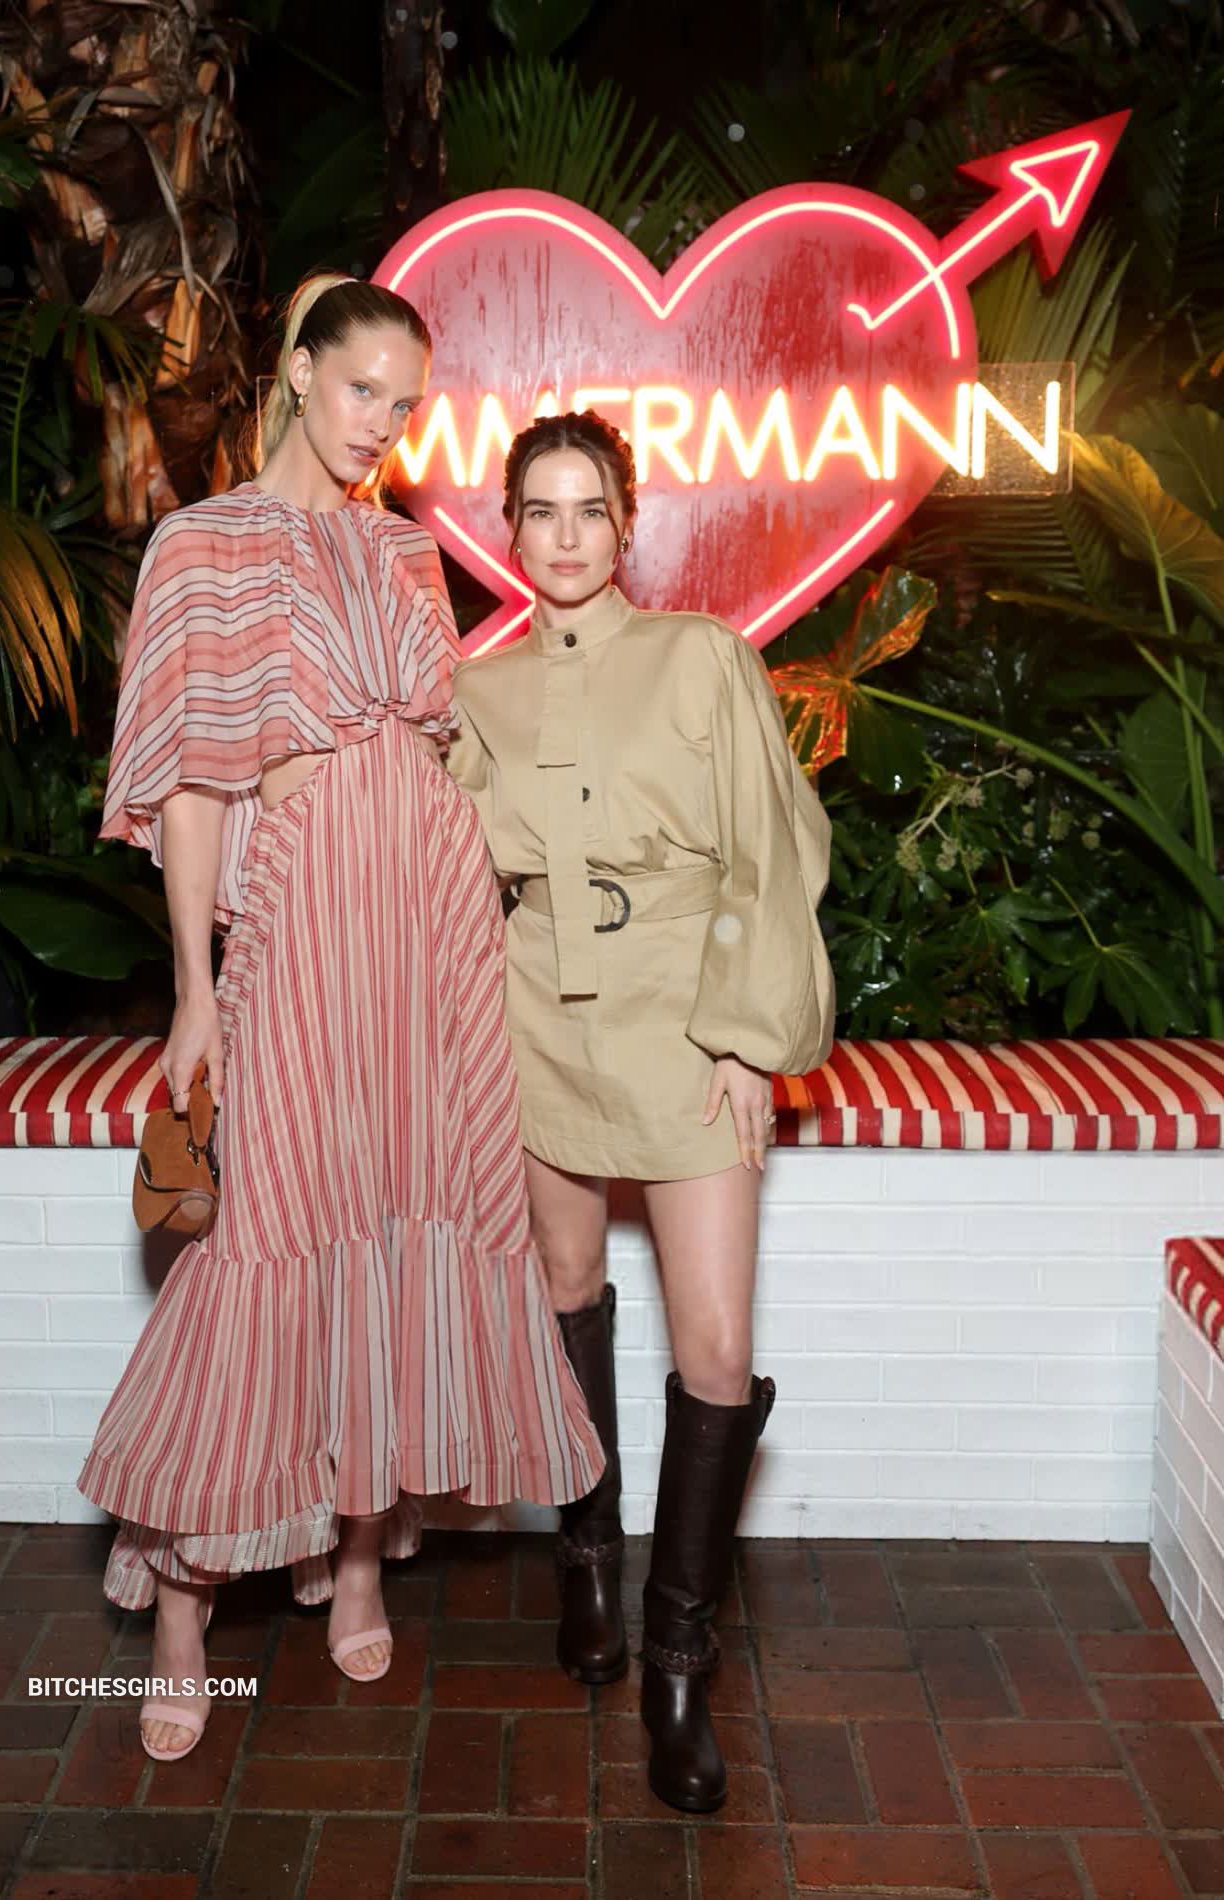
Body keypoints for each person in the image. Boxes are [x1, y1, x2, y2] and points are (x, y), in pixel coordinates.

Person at [79, 281, 603, 1764]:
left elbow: (437, 750)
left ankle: (361, 1554)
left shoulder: (403, 549)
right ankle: (183, 1606)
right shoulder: (200, 544)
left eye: (407, 403)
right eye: (363, 388)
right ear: (300, 373)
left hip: (427, 936)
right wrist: (196, 989)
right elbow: (192, 784)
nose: (383, 423)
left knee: (400, 1226)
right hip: (296, 933)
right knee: (262, 1248)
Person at [447, 410, 835, 1814]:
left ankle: (680, 1664)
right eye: (538, 510)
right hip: (533, 1018)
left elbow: (774, 850)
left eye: (589, 509)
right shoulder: (476, 691)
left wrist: (746, 1044)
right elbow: (434, 869)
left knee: (716, 1350)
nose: (564, 536)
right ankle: (587, 1568)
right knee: (563, 1292)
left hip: (684, 1017)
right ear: (507, 527)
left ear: (627, 523)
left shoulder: (702, 658)